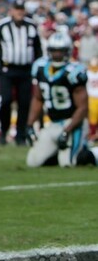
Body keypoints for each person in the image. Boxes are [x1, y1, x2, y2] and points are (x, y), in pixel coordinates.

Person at [26, 31, 98, 167]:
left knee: (70, 162)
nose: (57, 54)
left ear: (68, 51)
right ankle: (59, 153)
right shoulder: (40, 68)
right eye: (54, 51)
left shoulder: (74, 72)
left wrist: (67, 130)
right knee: (33, 162)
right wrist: (29, 125)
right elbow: (37, 99)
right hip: (53, 123)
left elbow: (83, 108)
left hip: (73, 123)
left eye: (60, 51)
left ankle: (93, 154)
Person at [0, 0, 43, 145]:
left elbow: (38, 49)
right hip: (7, 69)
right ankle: (3, 132)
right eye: (17, 9)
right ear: (11, 10)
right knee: (5, 100)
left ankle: (20, 135)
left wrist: (39, 69)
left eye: (22, 9)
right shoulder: (2, 25)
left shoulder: (31, 26)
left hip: (26, 70)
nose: (19, 12)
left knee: (24, 103)